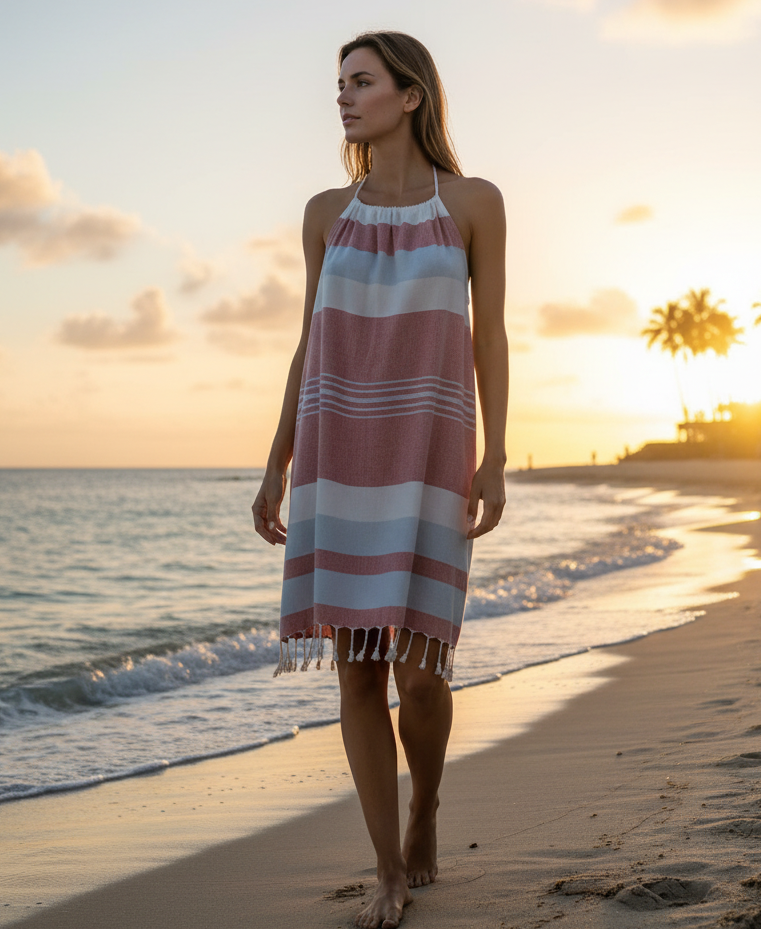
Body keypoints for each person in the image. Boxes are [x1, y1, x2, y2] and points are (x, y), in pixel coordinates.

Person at [252, 30, 508, 929]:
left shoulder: (473, 204)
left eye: (360, 81)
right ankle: (388, 868)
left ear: (411, 96)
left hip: (430, 453)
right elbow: (309, 338)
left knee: (422, 674)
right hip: (337, 452)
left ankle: (427, 800)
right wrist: (277, 461)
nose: (344, 96)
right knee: (357, 674)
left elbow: (489, 337)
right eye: (338, 84)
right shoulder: (327, 211)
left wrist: (497, 453)